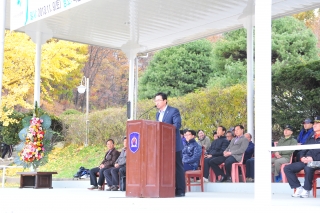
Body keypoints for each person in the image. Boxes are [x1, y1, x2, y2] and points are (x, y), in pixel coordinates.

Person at [155, 92, 185, 197]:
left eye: (158, 100)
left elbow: (177, 125)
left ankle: (181, 190)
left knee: (178, 167)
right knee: (165, 167)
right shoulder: (158, 114)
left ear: (165, 101)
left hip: (174, 145)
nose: (156, 102)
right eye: (155, 100)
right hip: (163, 146)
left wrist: (165, 129)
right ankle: (169, 188)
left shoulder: (173, 111)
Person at [284, 116, 320, 198]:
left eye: (317, 123)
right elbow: (304, 148)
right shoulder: (311, 136)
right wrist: (302, 157)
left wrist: (313, 159)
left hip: (317, 161)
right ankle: (298, 187)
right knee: (287, 168)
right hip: (307, 160)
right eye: (314, 123)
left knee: (308, 167)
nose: (314, 125)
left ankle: (306, 189)